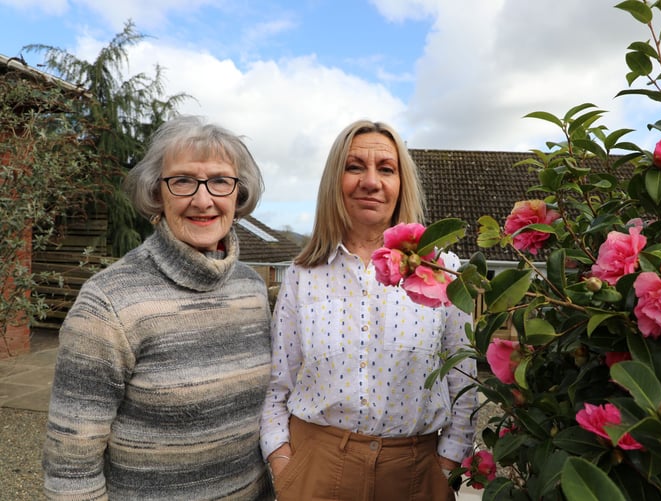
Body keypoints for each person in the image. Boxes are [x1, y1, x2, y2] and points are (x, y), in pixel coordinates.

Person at [43, 115, 274, 500]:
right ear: (156, 192)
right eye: (182, 180)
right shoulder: (108, 303)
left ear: (239, 194)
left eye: (220, 180)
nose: (203, 200)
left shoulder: (251, 288)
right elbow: (70, 468)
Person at [260, 119, 477, 501]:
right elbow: (279, 383)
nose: (371, 181)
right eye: (354, 166)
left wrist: (446, 465)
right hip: (315, 468)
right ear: (334, 181)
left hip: (416, 473)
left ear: (400, 184)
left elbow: (464, 383)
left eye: (386, 169)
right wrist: (283, 461)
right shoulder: (302, 275)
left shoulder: (442, 271)